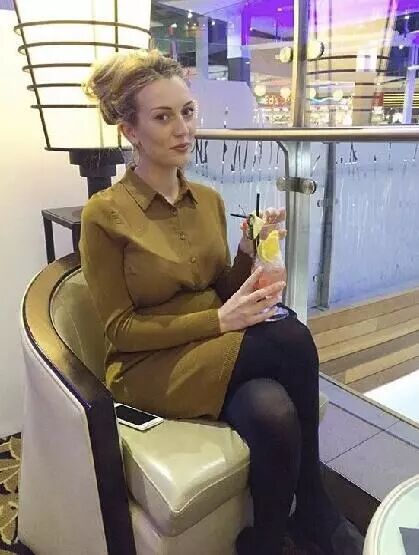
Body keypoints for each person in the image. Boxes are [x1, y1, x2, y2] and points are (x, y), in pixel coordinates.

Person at [80, 49, 363, 555]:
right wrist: (218, 320)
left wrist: (247, 252)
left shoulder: (208, 199)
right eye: (162, 117)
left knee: (272, 412)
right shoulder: (105, 215)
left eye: (187, 112)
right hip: (149, 365)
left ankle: (266, 541)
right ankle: (314, 504)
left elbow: (221, 287)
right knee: (290, 335)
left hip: (216, 350)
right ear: (130, 131)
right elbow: (119, 330)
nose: (182, 128)